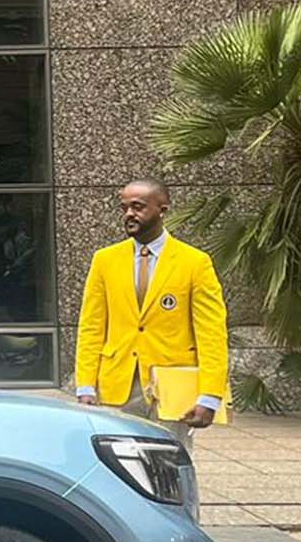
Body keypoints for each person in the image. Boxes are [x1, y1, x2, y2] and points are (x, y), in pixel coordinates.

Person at [74, 179, 228, 445]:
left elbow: (212, 334)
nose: (129, 214)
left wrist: (210, 395)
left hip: (171, 387)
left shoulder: (195, 263)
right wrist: (85, 385)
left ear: (162, 209)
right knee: (118, 465)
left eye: (138, 207)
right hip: (117, 384)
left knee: (169, 464)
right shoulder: (104, 260)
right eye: (124, 208)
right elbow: (91, 327)